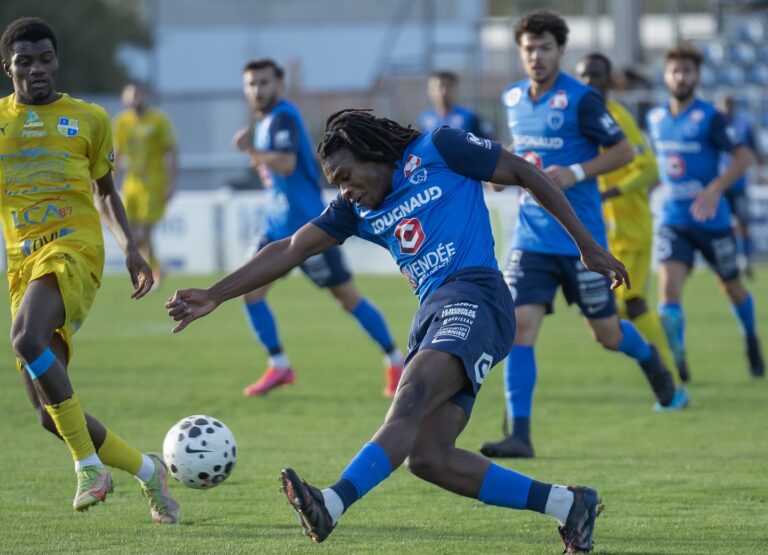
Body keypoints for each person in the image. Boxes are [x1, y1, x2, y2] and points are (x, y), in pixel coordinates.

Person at [167, 108, 633, 553]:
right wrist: (216, 294)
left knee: (407, 398)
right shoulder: (354, 211)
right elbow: (290, 247)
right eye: (336, 184)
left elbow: (525, 173)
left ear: (375, 156)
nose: (345, 191)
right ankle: (569, 505)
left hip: (478, 296)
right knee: (428, 457)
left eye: (348, 177)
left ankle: (331, 503)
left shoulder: (440, 148)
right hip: (433, 311)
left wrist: (586, 246)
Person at [480, 11, 685, 461]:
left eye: (545, 48)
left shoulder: (583, 100)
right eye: (529, 49)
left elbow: (624, 151)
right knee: (519, 331)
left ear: (560, 52)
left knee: (607, 335)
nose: (536, 56)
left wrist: (574, 172)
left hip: (581, 244)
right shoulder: (513, 96)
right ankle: (521, 433)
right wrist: (501, 173)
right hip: (531, 239)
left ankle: (650, 359)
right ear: (521, 52)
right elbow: (521, 152)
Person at [0, 17, 179, 523]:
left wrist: (131, 249)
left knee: (25, 338)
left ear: (56, 61)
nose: (37, 70)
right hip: (21, 262)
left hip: (74, 249)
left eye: (45, 59)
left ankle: (88, 469)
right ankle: (148, 471)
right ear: (8, 68)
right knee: (47, 413)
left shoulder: (90, 118)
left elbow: (105, 191)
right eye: (25, 62)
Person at [232, 59, 404, 397]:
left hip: (306, 230)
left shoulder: (284, 116)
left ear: (279, 86)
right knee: (250, 293)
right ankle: (279, 365)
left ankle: (396, 360)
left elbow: (287, 162)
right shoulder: (265, 121)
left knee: (346, 297)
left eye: (264, 83)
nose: (258, 90)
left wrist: (252, 150)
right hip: (276, 227)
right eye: (251, 84)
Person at [648, 44, 764, 379]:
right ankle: (680, 361)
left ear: (697, 76)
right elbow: (664, 166)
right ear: (665, 75)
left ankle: (751, 338)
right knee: (668, 290)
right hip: (673, 219)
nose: (680, 77)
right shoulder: (655, 118)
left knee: (731, 286)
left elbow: (743, 158)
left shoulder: (710, 118)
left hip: (711, 222)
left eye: (687, 71)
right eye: (675, 71)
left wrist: (715, 189)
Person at [575, 52, 683, 384]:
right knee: (610, 312)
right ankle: (667, 347)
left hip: (632, 225)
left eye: (596, 75)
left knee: (630, 305)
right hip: (606, 229)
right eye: (583, 76)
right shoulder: (584, 118)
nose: (590, 82)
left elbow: (650, 167)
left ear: (610, 81)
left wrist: (612, 192)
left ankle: (672, 377)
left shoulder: (617, 116)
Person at [113, 81, 178, 286]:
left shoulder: (159, 120)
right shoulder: (122, 121)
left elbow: (172, 151)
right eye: (131, 95)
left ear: (146, 96)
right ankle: (156, 268)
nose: (135, 99)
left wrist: (171, 183)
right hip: (131, 182)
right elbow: (117, 151)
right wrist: (109, 180)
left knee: (146, 231)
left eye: (138, 95)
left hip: (154, 182)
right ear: (124, 98)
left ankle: (153, 271)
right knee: (131, 233)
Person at [715, 95, 765, 278]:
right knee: (723, 223)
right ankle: (727, 259)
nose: (726, 109)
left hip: (738, 183)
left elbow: (755, 150)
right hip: (719, 184)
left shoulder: (743, 125)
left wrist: (761, 170)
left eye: (729, 104)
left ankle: (744, 259)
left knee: (742, 221)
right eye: (723, 105)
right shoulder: (713, 125)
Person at [417, 71, 493, 138]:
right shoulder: (424, 118)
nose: (443, 92)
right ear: (429, 90)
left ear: (455, 89)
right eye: (437, 87)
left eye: (447, 86)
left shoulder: (469, 116)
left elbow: (487, 143)